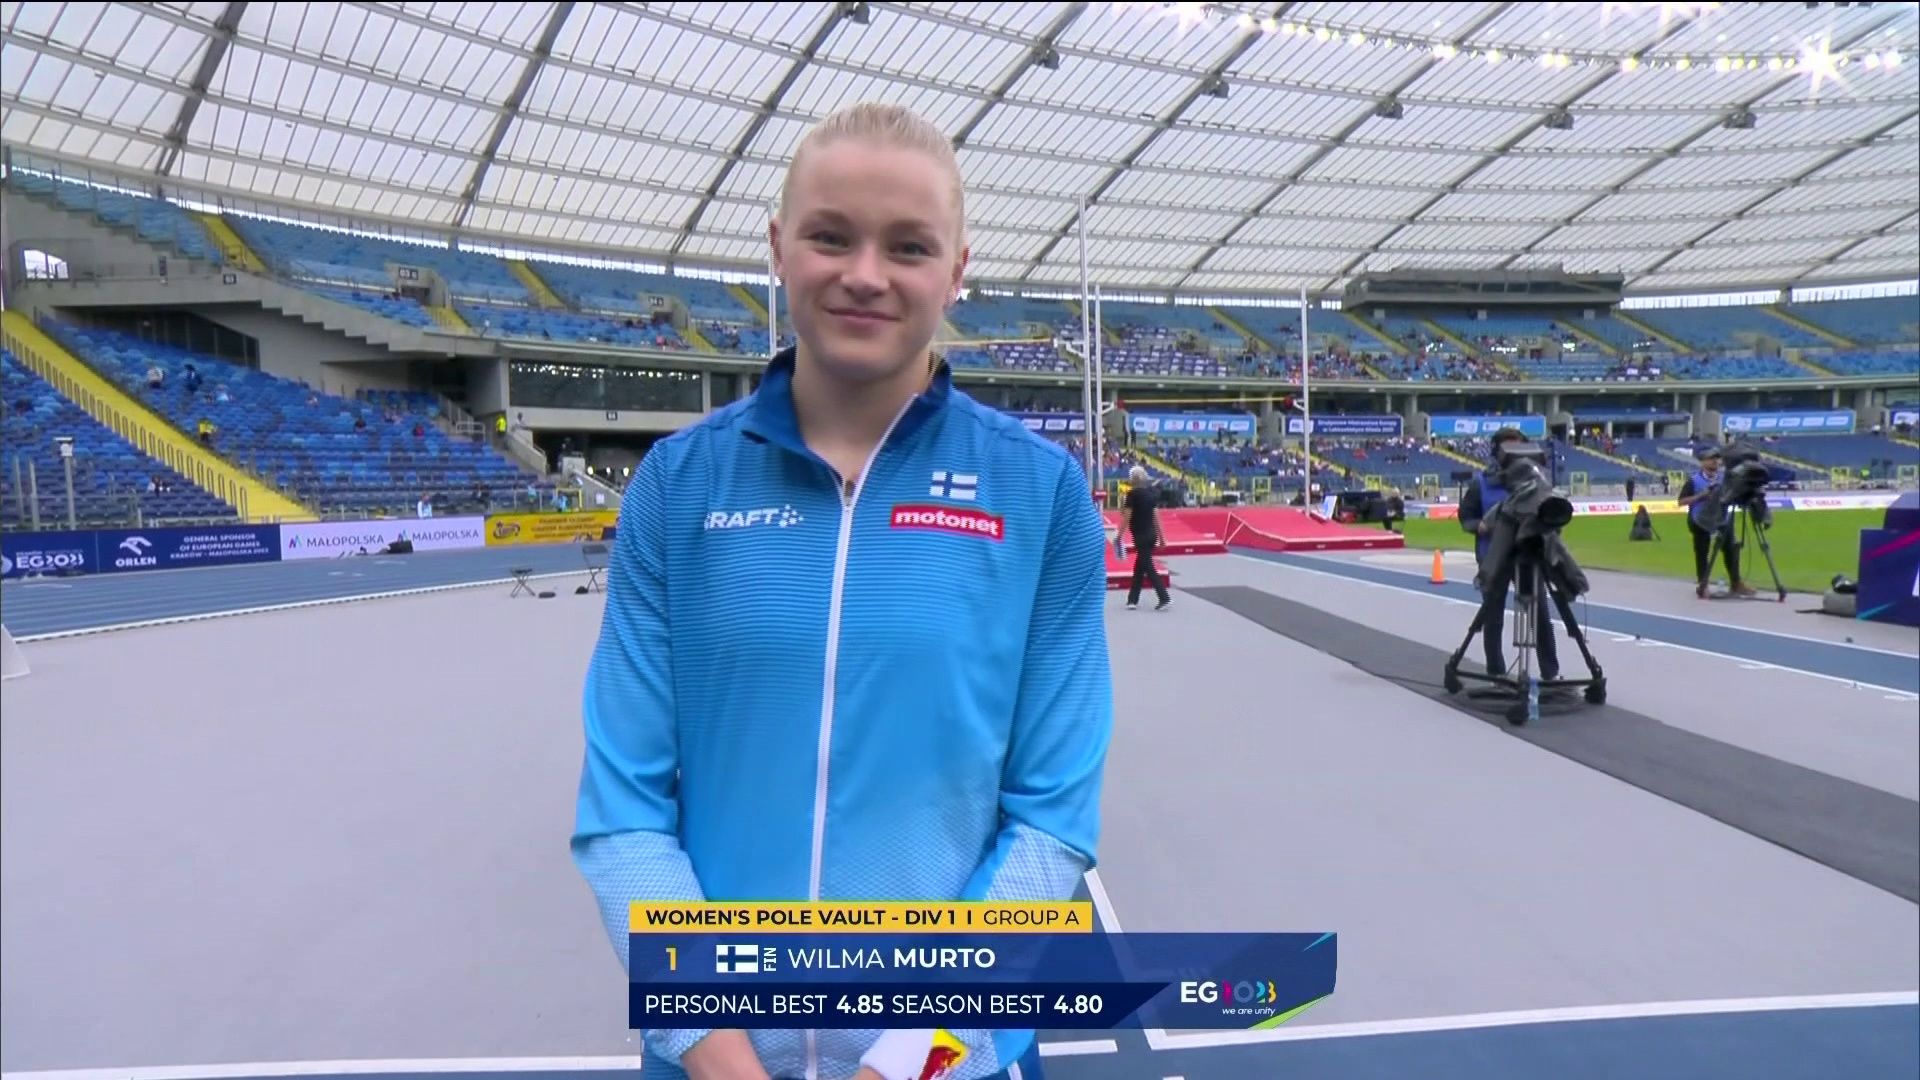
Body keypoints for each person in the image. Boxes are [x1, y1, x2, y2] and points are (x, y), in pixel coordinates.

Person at [570, 102, 1112, 1080]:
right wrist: (716, 1055)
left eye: (909, 246)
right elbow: (625, 814)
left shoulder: (1039, 494)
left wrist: (904, 1065)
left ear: (957, 269)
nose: (866, 274)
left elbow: (1051, 825)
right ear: (779, 248)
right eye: (830, 237)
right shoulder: (678, 488)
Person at [1457, 427, 1559, 680]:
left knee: (1540, 614)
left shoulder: (1537, 481)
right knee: (1492, 614)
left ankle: (1550, 673)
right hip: (1493, 555)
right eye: (1509, 448)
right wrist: (1479, 526)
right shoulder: (1481, 483)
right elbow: (1466, 516)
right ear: (1497, 452)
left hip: (1529, 554)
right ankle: (1496, 672)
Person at [1676, 446, 1752, 599]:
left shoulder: (1725, 478)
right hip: (1701, 519)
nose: (1715, 462)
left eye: (1717, 459)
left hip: (1722, 518)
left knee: (1731, 549)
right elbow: (1681, 501)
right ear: (1703, 461)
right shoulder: (1694, 481)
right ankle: (1703, 585)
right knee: (1702, 552)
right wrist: (1701, 496)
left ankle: (1736, 582)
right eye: (1711, 459)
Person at [1122, 465, 1172, 611]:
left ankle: (1164, 597)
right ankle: (1132, 600)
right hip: (1151, 535)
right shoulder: (1150, 495)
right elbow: (1156, 518)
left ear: (1132, 479)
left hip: (1141, 535)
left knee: (1148, 567)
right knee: (1139, 567)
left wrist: (1119, 535)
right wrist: (1162, 538)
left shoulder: (1131, 495)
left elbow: (1126, 517)